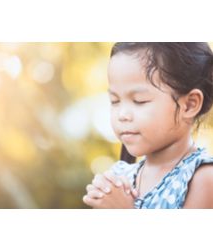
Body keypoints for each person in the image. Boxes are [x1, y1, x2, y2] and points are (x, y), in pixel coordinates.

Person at [83, 42, 213, 209]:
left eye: (139, 101)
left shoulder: (203, 179)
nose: (122, 115)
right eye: (115, 101)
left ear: (189, 105)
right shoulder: (121, 178)